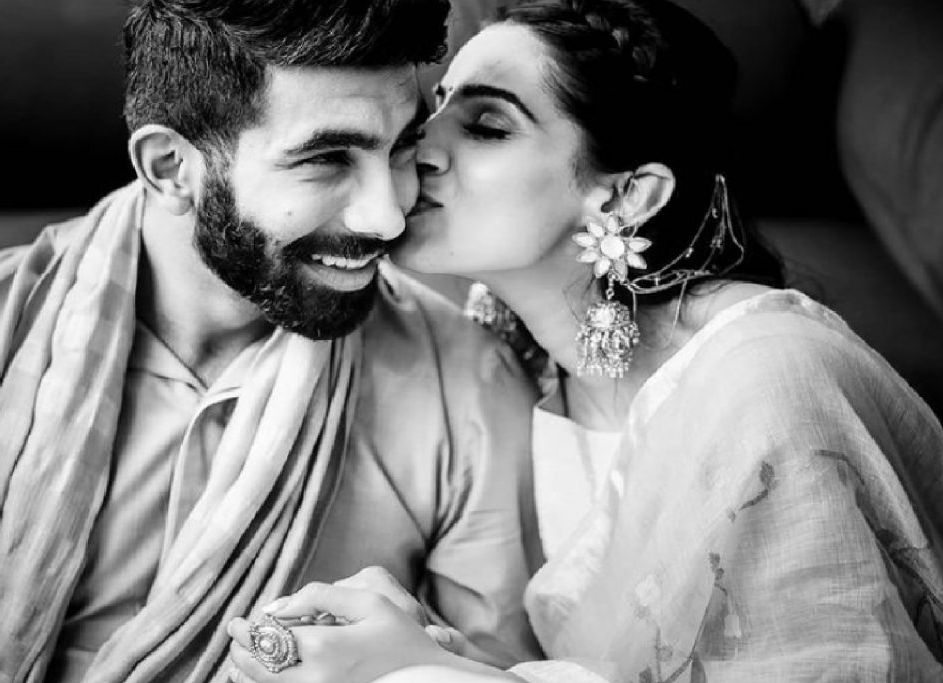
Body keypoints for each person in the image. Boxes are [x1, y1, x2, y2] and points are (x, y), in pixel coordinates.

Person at [224, 0, 943, 681]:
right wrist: (430, 645)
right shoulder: (515, 375)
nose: (417, 148)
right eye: (432, 109)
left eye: (487, 126)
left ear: (628, 195)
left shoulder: (767, 377)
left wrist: (424, 670)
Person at [0, 1, 546, 681]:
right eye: (326, 159)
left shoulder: (470, 387)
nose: (387, 216)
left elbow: (491, 666)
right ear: (170, 168)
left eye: (400, 147)